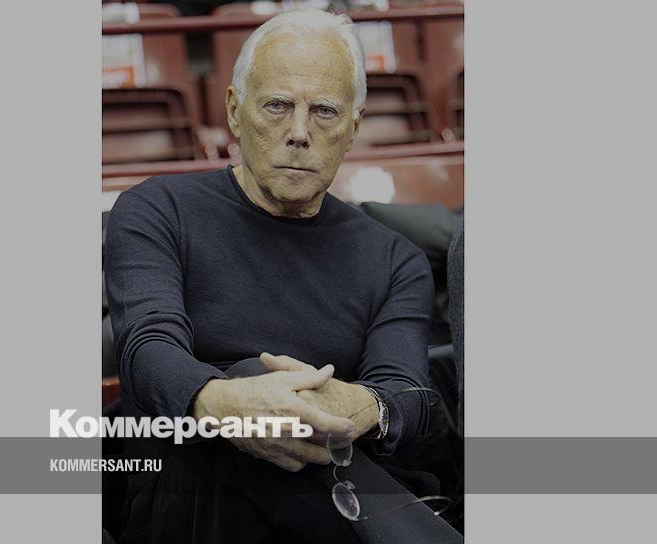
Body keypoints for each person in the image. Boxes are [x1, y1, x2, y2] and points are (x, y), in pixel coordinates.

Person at [105, 9, 461, 543]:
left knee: (290, 420)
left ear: (354, 127)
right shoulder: (156, 210)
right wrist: (230, 405)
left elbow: (404, 393)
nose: (299, 133)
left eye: (324, 111)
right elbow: (148, 349)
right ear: (234, 110)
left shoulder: (395, 258)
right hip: (190, 494)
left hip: (337, 489)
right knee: (250, 385)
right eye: (277, 105)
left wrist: (357, 407)